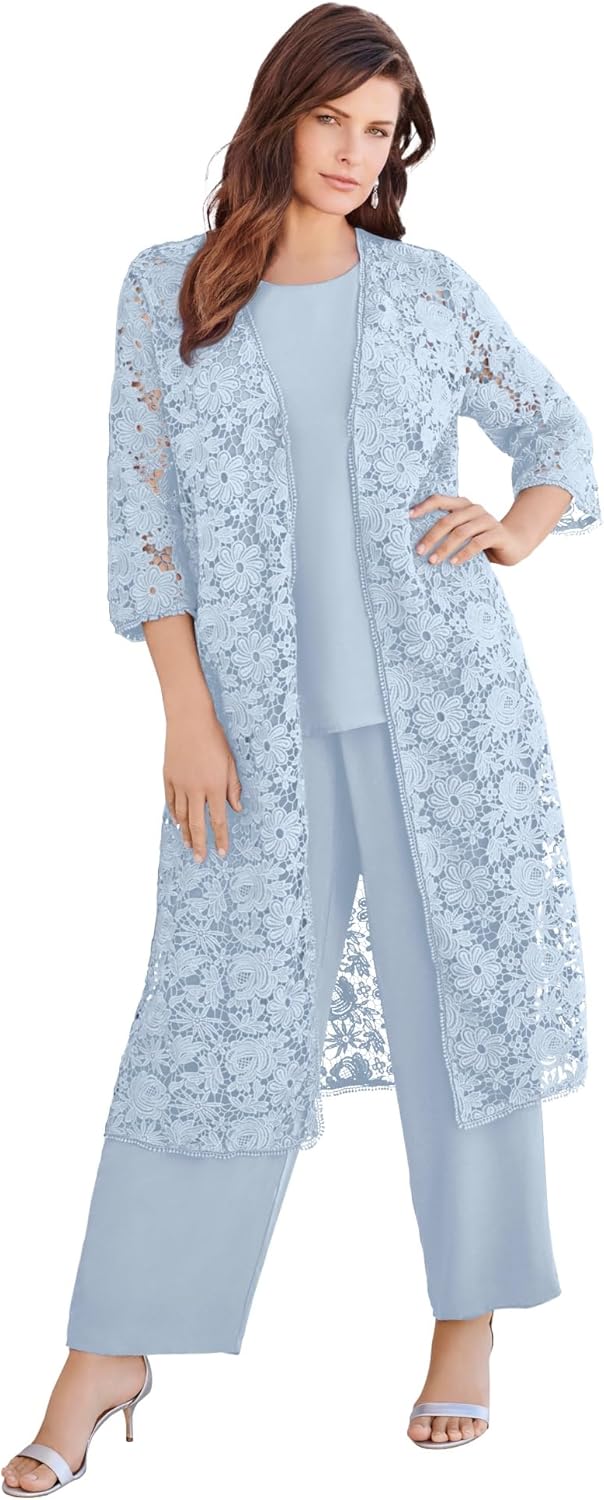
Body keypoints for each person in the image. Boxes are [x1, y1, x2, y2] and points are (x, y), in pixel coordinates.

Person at [3, 3, 600, 1488]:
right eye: (333, 118)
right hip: (251, 739)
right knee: (207, 1028)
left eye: (380, 130)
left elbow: (560, 438)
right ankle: (111, 1347)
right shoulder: (168, 289)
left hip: (451, 722)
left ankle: (468, 1321)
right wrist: (184, 711)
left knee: (465, 1011)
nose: (354, 152)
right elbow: (141, 516)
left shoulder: (429, 292)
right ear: (280, 114)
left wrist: (515, 530)